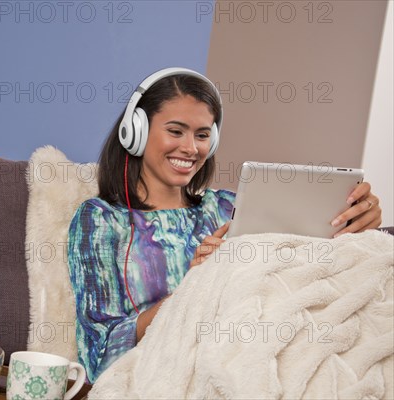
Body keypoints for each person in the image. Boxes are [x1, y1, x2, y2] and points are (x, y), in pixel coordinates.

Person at [66, 67, 382, 383]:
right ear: (135, 132)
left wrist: (359, 223)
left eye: (202, 135)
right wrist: (194, 286)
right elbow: (99, 355)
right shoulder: (101, 219)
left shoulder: (228, 207)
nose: (191, 148)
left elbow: (302, 270)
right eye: (176, 131)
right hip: (166, 375)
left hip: (254, 357)